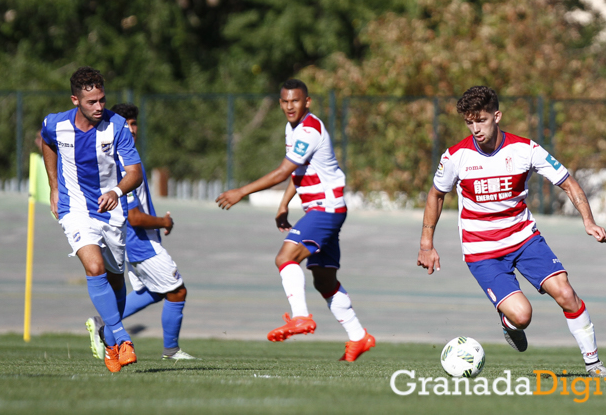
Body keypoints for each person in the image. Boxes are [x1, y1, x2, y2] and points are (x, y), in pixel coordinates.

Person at [417, 86, 606, 377]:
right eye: (469, 122)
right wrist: (426, 244)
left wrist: (589, 221)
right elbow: (436, 194)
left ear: (497, 116)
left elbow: (568, 182)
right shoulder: (455, 157)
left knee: (566, 293)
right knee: (522, 316)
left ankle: (594, 365)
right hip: (482, 251)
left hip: (524, 239)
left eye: (481, 120)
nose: (475, 129)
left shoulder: (525, 150)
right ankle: (509, 323)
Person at [216, 79, 375, 362]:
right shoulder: (292, 128)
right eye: (285, 101)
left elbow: (282, 172)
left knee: (284, 257)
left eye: (296, 101)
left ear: (307, 102)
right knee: (324, 281)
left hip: (325, 210)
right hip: (325, 209)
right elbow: (297, 171)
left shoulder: (310, 129)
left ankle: (300, 317)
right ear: (280, 103)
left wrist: (241, 190)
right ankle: (359, 337)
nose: (290, 106)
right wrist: (284, 203)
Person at [41, 66, 143, 373]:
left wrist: (115, 190)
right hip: (75, 211)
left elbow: (136, 173)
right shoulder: (54, 124)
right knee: (94, 267)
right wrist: (54, 186)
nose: (99, 107)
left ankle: (110, 338)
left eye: (102, 99)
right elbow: (45, 142)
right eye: (91, 102)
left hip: (111, 214)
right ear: (75, 100)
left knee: (116, 282)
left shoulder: (118, 128)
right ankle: (122, 340)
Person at [86, 103, 196, 361]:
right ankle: (170, 351)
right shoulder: (123, 164)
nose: (131, 129)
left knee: (156, 291)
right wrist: (164, 222)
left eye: (134, 124)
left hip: (133, 242)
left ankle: (104, 322)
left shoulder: (124, 155)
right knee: (177, 291)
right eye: (126, 124)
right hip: (138, 242)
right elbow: (134, 217)